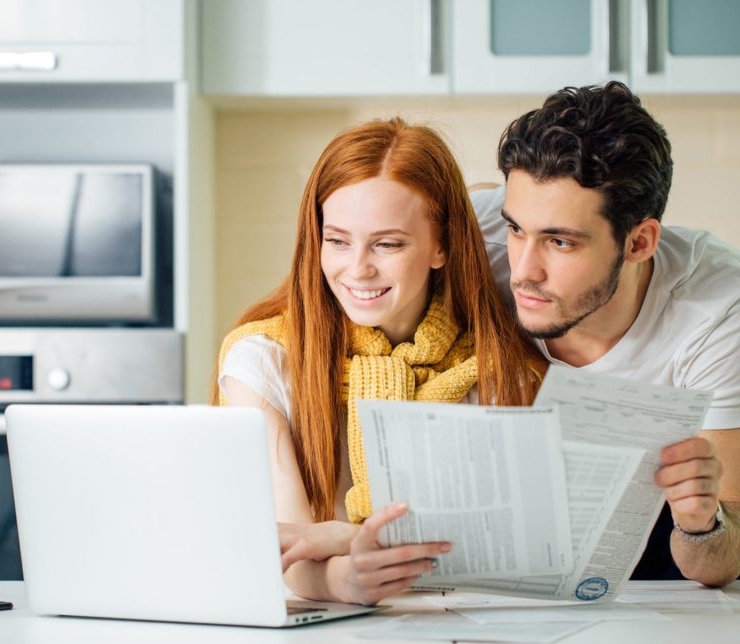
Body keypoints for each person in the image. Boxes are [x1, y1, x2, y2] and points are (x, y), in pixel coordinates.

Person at [471, 81, 740, 586]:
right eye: (516, 228)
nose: (523, 271)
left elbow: (723, 557)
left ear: (639, 242)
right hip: (574, 463)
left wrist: (698, 522)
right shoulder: (484, 236)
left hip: (701, 484)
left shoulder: (720, 303)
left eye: (560, 242)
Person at [214, 118, 546, 605]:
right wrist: (344, 579)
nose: (358, 268)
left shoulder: (497, 367)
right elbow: (288, 547)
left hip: (457, 619)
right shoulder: (263, 361)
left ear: (441, 246)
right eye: (338, 240)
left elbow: (503, 548)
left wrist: (344, 541)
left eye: (387, 243)